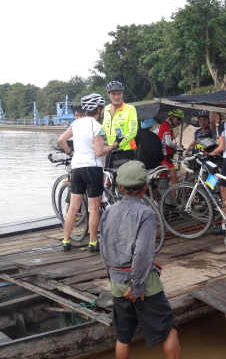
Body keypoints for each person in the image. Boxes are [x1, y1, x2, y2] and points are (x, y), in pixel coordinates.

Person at [99, 161, 181, 359]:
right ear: (144, 187)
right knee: (168, 330)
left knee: (123, 336)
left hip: (117, 282)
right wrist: (136, 286)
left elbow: (103, 246)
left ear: (119, 188)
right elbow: (142, 254)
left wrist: (113, 277)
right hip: (142, 285)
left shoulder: (109, 211)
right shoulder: (146, 214)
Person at [57, 94, 119, 252]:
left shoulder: (76, 123)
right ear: (98, 109)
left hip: (77, 168)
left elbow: (61, 140)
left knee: (73, 207)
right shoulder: (97, 126)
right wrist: (111, 147)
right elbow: (99, 152)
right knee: (93, 208)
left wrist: (71, 153)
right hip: (92, 169)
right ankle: (92, 242)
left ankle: (65, 240)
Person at [102, 80, 138, 168]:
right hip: (111, 151)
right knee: (107, 178)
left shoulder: (130, 109)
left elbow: (133, 131)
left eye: (119, 94)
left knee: (123, 181)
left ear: (122, 94)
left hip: (126, 151)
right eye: (113, 94)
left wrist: (118, 144)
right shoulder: (106, 109)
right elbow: (103, 129)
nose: (116, 97)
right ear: (109, 95)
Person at [158, 109, 183, 185]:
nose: (179, 122)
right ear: (172, 117)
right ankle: (174, 196)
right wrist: (177, 147)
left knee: (165, 178)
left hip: (165, 156)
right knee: (173, 176)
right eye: (178, 119)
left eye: (180, 120)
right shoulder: (166, 126)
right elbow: (168, 142)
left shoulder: (166, 125)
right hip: (164, 157)